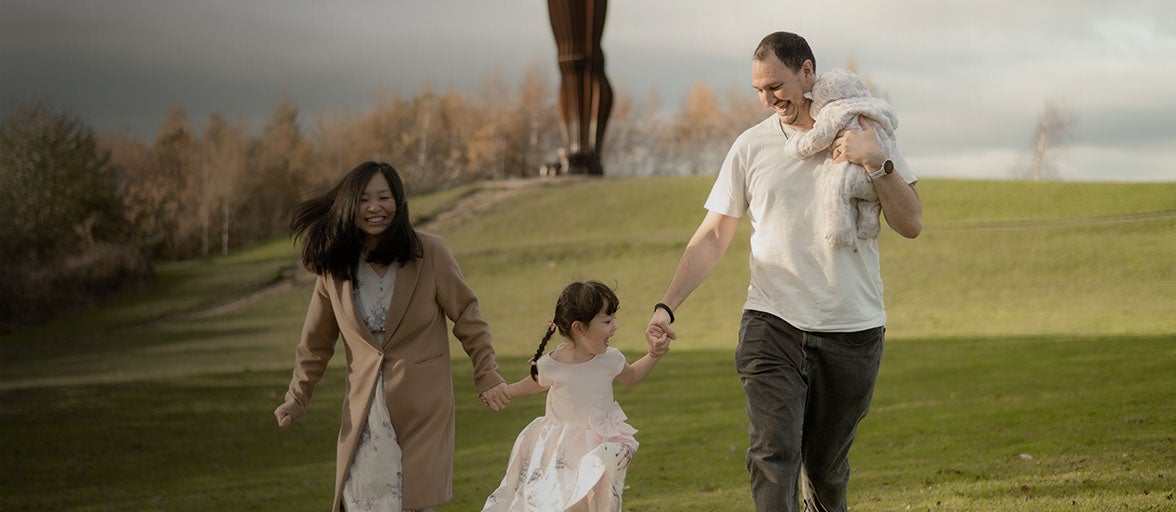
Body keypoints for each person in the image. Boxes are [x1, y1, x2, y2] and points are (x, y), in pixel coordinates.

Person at [644, 31, 922, 512]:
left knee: (827, 469)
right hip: (772, 325)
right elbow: (713, 235)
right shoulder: (751, 147)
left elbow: (911, 223)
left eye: (776, 86)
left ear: (807, 72)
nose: (768, 99)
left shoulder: (865, 130)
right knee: (773, 456)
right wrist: (666, 306)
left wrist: (877, 162)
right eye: (759, 90)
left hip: (852, 330)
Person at [273, 161, 512, 512]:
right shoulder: (334, 268)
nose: (375, 207)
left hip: (422, 404)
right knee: (361, 499)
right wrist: (297, 397)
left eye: (384, 197)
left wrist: (486, 373)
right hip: (364, 410)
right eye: (365, 199)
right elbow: (315, 345)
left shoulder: (429, 252)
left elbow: (468, 316)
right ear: (348, 206)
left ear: (399, 203)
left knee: (412, 500)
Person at [482, 281, 670, 511]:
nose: (615, 327)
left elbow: (631, 377)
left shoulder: (609, 359)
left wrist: (653, 354)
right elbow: (534, 383)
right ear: (579, 327)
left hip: (596, 446)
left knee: (594, 503)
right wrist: (507, 391)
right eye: (607, 321)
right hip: (560, 448)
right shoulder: (553, 364)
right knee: (558, 501)